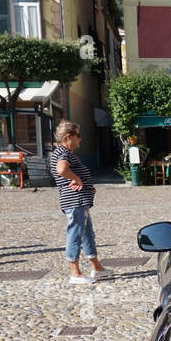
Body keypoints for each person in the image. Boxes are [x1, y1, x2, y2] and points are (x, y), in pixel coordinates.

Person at [50, 121, 106, 285]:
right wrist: (76, 178)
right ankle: (75, 273)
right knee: (75, 234)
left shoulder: (64, 152)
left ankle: (97, 267)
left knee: (87, 234)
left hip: (80, 200)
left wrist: (87, 186)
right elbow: (62, 169)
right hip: (75, 201)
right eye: (78, 136)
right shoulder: (63, 153)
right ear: (69, 137)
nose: (80, 140)